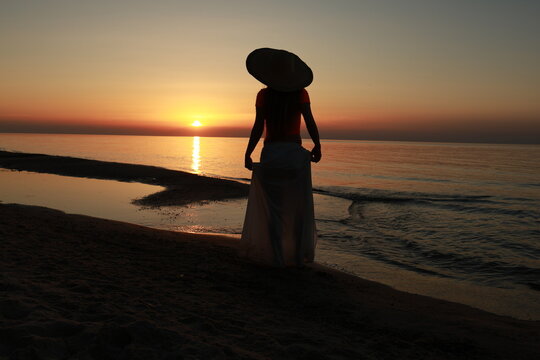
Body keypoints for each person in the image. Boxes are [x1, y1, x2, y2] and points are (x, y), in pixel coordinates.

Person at [240, 48, 321, 267]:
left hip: (272, 154)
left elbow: (259, 126)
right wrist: (318, 145)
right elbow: (310, 121)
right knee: (297, 207)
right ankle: (295, 256)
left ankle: (277, 257)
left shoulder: (264, 95)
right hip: (294, 155)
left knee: (274, 209)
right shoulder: (300, 93)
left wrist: (248, 152)